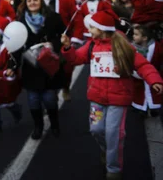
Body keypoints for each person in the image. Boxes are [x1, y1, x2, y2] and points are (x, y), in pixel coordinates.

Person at [61, 12, 163, 180]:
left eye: (92, 27)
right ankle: (106, 150)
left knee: (113, 133)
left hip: (119, 98)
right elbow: (76, 58)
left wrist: (154, 80)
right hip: (97, 97)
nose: (90, 30)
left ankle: (113, 169)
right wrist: (67, 48)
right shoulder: (91, 45)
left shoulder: (123, 45)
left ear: (102, 29)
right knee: (96, 129)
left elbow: (142, 65)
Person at [7, 0, 66, 139]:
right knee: (33, 100)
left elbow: (64, 37)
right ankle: (38, 127)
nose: (32, 3)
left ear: (41, 1)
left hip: (48, 65)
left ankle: (55, 124)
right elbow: (16, 46)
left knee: (50, 99)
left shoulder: (53, 18)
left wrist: (53, 44)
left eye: (35, 0)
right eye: (29, 1)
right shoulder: (20, 22)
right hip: (30, 66)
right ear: (25, 4)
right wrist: (12, 66)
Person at [39, 0, 82, 101]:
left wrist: (75, 39)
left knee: (67, 69)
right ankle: (51, 96)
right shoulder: (38, 0)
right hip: (45, 42)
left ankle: (66, 87)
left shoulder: (67, 0)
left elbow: (77, 19)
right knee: (47, 69)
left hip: (64, 40)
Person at [131, 24, 163, 115]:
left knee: (155, 93)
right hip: (137, 77)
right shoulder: (132, 48)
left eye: (136, 34)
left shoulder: (156, 47)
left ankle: (154, 108)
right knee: (139, 93)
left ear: (144, 38)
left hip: (154, 75)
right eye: (134, 34)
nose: (133, 36)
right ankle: (140, 108)